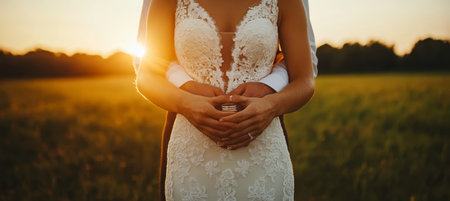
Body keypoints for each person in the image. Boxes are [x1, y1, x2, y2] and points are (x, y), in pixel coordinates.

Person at [136, 0, 315, 200]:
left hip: (261, 144)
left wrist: (270, 106)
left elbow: (305, 79)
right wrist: (187, 102)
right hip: (191, 150)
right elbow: (147, 75)